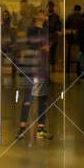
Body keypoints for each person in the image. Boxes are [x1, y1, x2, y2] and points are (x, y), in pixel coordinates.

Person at [16, 8, 53, 139]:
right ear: (36, 15)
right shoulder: (32, 29)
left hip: (42, 67)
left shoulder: (46, 30)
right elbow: (31, 44)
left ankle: (41, 128)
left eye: (44, 12)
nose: (44, 14)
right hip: (33, 67)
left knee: (42, 99)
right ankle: (22, 127)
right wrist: (41, 47)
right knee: (28, 97)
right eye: (41, 12)